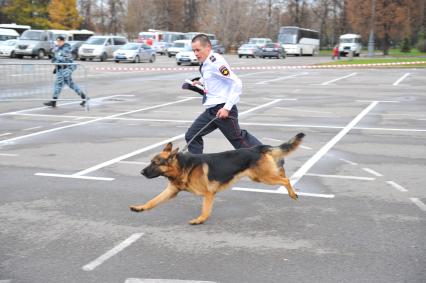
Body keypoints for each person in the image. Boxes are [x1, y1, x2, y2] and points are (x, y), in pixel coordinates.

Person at [183, 34, 262, 154]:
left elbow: (236, 83)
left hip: (223, 110)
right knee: (192, 136)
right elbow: (211, 77)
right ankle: (197, 168)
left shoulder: (216, 61)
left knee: (239, 141)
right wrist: (199, 81)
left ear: (208, 47)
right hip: (211, 110)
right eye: (194, 50)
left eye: (198, 50)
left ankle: (266, 158)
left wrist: (226, 108)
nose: (196, 54)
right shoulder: (206, 63)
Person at [43, 35, 88, 108]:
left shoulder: (66, 49)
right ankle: (84, 97)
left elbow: (64, 59)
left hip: (66, 69)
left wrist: (56, 56)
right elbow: (55, 59)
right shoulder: (58, 48)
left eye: (60, 41)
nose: (58, 42)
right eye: (57, 41)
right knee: (71, 85)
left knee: (58, 85)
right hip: (60, 69)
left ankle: (53, 102)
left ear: (63, 41)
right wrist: (53, 58)